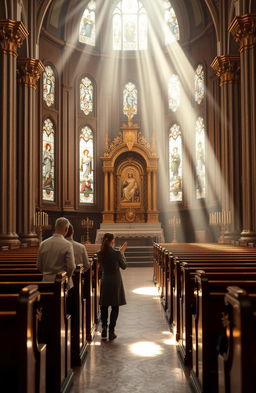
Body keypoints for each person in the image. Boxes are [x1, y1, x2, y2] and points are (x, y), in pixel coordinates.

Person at [97, 233, 127, 341]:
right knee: (115, 306)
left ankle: (104, 328)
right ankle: (111, 331)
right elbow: (124, 266)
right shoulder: (117, 253)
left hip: (105, 280)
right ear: (112, 241)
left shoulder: (100, 253)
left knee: (104, 305)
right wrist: (122, 253)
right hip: (115, 281)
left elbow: (100, 268)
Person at [37, 217, 76, 288]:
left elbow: (39, 266)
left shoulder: (43, 243)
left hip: (46, 281)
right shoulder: (67, 244)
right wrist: (66, 277)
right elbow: (71, 267)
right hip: (62, 282)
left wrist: (47, 274)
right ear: (66, 229)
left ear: (55, 227)